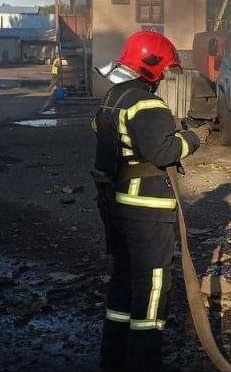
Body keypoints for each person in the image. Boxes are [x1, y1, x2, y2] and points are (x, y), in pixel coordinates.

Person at [92, 31, 208, 372]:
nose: (163, 78)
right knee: (154, 285)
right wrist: (192, 138)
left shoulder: (113, 98)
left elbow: (102, 131)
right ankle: (143, 362)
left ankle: (113, 358)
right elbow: (164, 151)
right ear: (152, 66)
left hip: (117, 205)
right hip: (146, 210)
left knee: (124, 280)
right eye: (164, 70)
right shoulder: (147, 104)